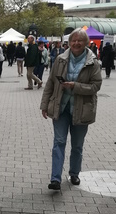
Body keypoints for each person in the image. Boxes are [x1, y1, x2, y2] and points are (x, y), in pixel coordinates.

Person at [40, 28, 102, 191]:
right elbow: (50, 83)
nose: (76, 43)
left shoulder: (93, 62)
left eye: (79, 40)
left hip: (82, 109)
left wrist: (76, 86)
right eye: (73, 40)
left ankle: (74, 173)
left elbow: (96, 86)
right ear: (69, 42)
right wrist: (45, 105)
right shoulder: (60, 59)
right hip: (62, 108)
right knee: (59, 142)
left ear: (86, 43)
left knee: (77, 145)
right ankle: (55, 179)